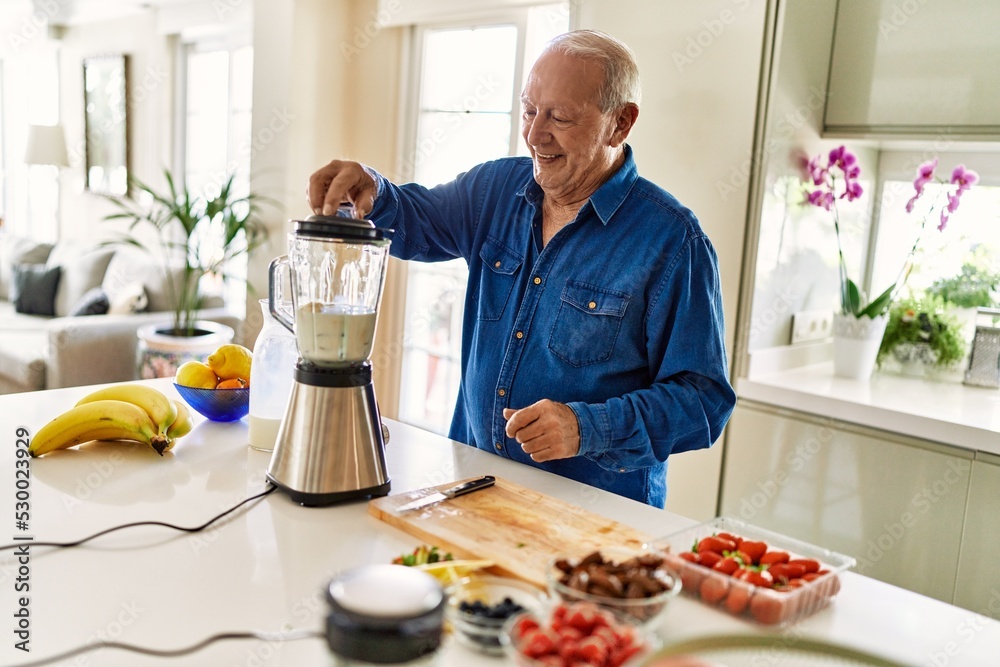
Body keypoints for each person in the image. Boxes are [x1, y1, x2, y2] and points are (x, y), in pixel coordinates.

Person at [307, 29, 736, 508]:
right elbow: (416, 218)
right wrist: (373, 191)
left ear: (620, 124)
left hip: (593, 516)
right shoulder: (496, 188)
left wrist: (585, 428)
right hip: (473, 487)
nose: (534, 134)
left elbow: (703, 401)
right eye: (530, 110)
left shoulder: (672, 241)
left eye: (559, 116)